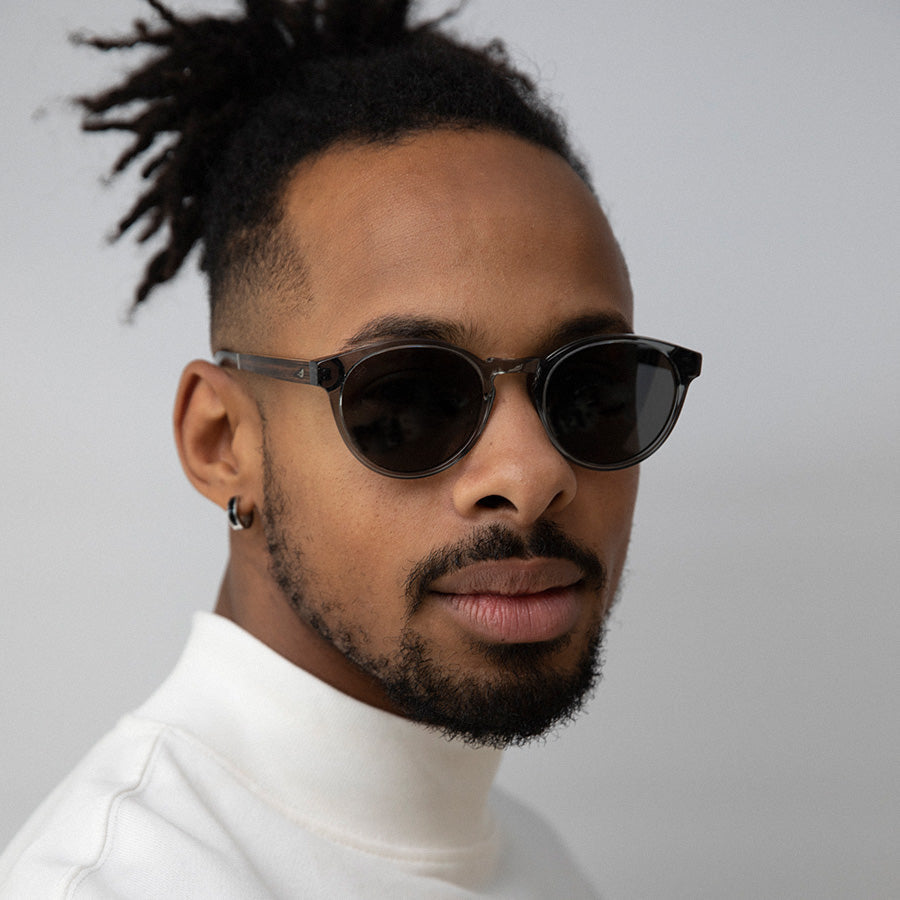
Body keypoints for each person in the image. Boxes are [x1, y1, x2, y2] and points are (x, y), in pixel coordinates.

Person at [0, 1, 701, 897]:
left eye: (593, 389)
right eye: (409, 400)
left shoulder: (531, 859)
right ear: (222, 442)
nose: (532, 474)